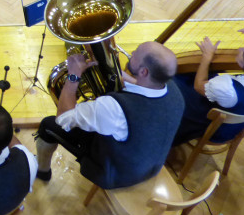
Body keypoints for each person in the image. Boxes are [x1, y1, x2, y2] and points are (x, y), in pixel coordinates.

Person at [35, 42, 185, 189]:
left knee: (48, 124)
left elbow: (63, 118)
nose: (132, 52)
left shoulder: (113, 108)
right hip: (150, 163)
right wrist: (109, 69)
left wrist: (74, 75)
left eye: (136, 53)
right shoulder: (175, 91)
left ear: (143, 72)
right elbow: (140, 89)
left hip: (115, 174)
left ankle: (42, 171)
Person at [172, 28, 244, 146]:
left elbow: (198, 86)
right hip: (232, 128)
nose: (240, 49)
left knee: (171, 80)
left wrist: (207, 56)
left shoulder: (227, 88)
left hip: (211, 128)